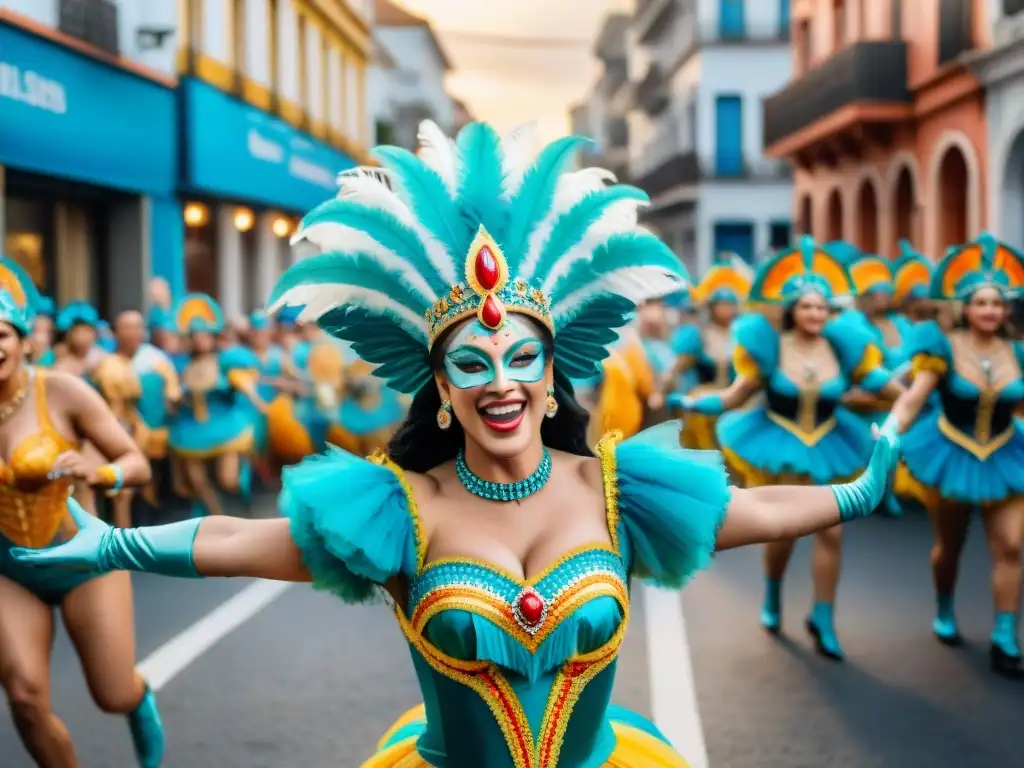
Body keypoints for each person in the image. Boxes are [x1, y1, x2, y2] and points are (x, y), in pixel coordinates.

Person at [13, 121, 899, 767]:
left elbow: (760, 507)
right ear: (441, 389)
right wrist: (116, 543)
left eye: (523, 358)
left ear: (555, 378)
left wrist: (860, 491)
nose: (500, 381)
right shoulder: (397, 510)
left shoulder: (623, 493)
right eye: (471, 363)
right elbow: (240, 541)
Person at [671, 236, 904, 660]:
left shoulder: (843, 345)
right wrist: (691, 402)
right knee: (783, 536)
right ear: (791, 311)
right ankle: (773, 594)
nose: (815, 313)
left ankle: (823, 618)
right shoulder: (769, 348)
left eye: (821, 306)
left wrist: (912, 397)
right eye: (806, 306)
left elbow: (883, 386)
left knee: (832, 535)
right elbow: (734, 397)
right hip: (782, 447)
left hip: (832, 444)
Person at [0, 259, 163, 767]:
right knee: (25, 698)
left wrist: (99, 475)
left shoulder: (62, 391)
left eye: (0, 334)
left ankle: (139, 701)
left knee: (111, 694)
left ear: (25, 341)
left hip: (84, 561)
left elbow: (136, 461)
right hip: (10, 571)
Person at [885, 232, 1024, 677]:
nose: (990, 311)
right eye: (981, 302)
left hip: (1006, 453)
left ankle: (1005, 637)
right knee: (951, 547)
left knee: (1012, 546)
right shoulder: (940, 347)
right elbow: (913, 395)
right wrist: (890, 431)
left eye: (997, 304)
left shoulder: (1018, 351)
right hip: (950, 452)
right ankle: (944, 606)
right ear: (965, 307)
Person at [167, 294, 265, 517]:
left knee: (228, 480)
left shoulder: (225, 361)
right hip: (192, 428)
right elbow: (175, 394)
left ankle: (243, 494)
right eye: (195, 335)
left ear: (212, 337)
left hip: (225, 425)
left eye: (204, 334)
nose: (200, 339)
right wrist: (176, 398)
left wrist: (246, 391)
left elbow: (242, 382)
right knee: (197, 481)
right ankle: (216, 518)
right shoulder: (182, 365)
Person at [670, 253, 751, 449]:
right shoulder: (697, 335)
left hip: (736, 401)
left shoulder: (744, 335)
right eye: (721, 304)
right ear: (711, 306)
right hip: (702, 401)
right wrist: (666, 392)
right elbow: (677, 368)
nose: (726, 309)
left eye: (730, 304)